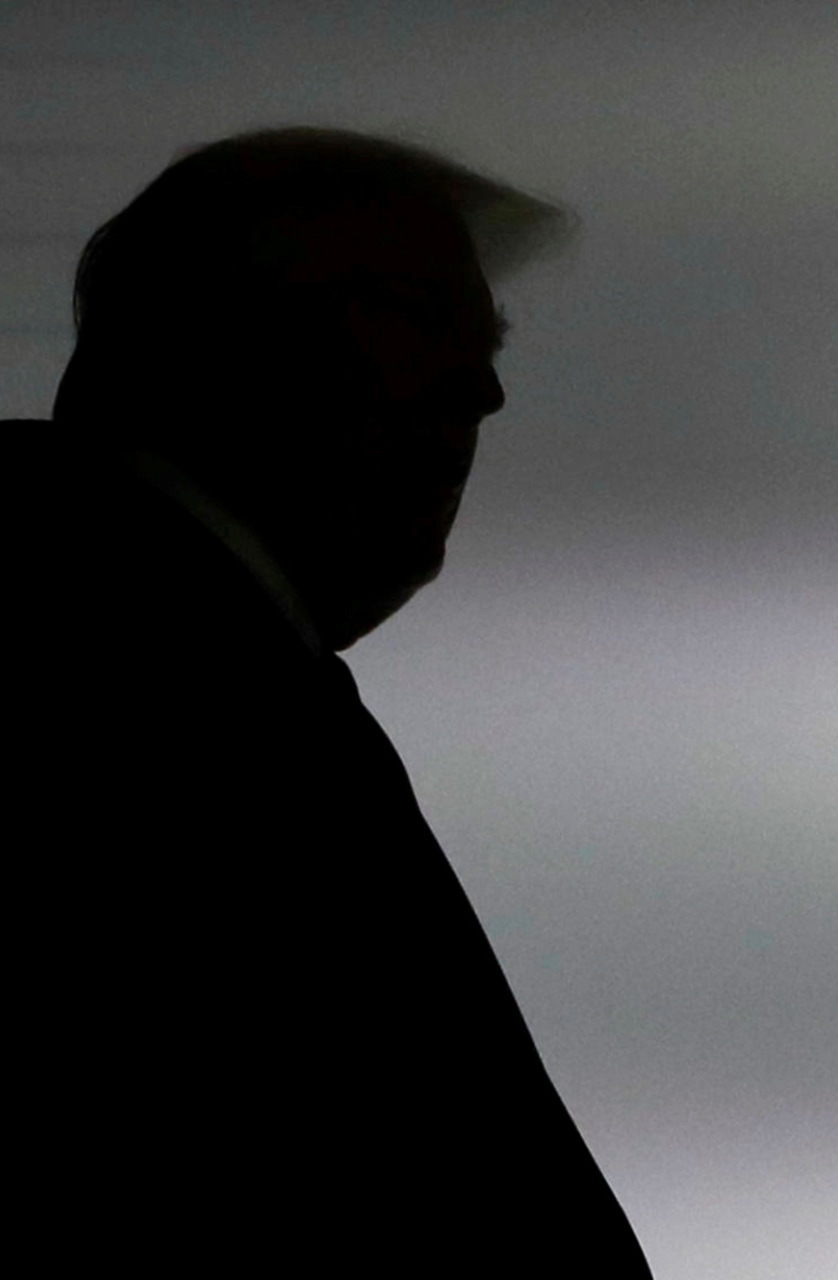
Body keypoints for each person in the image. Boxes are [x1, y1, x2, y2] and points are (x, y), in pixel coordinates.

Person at [10, 129, 650, 1271]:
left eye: (488, 342)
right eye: (408, 315)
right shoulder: (179, 692)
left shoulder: (207, 656)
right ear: (201, 342)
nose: (483, 389)